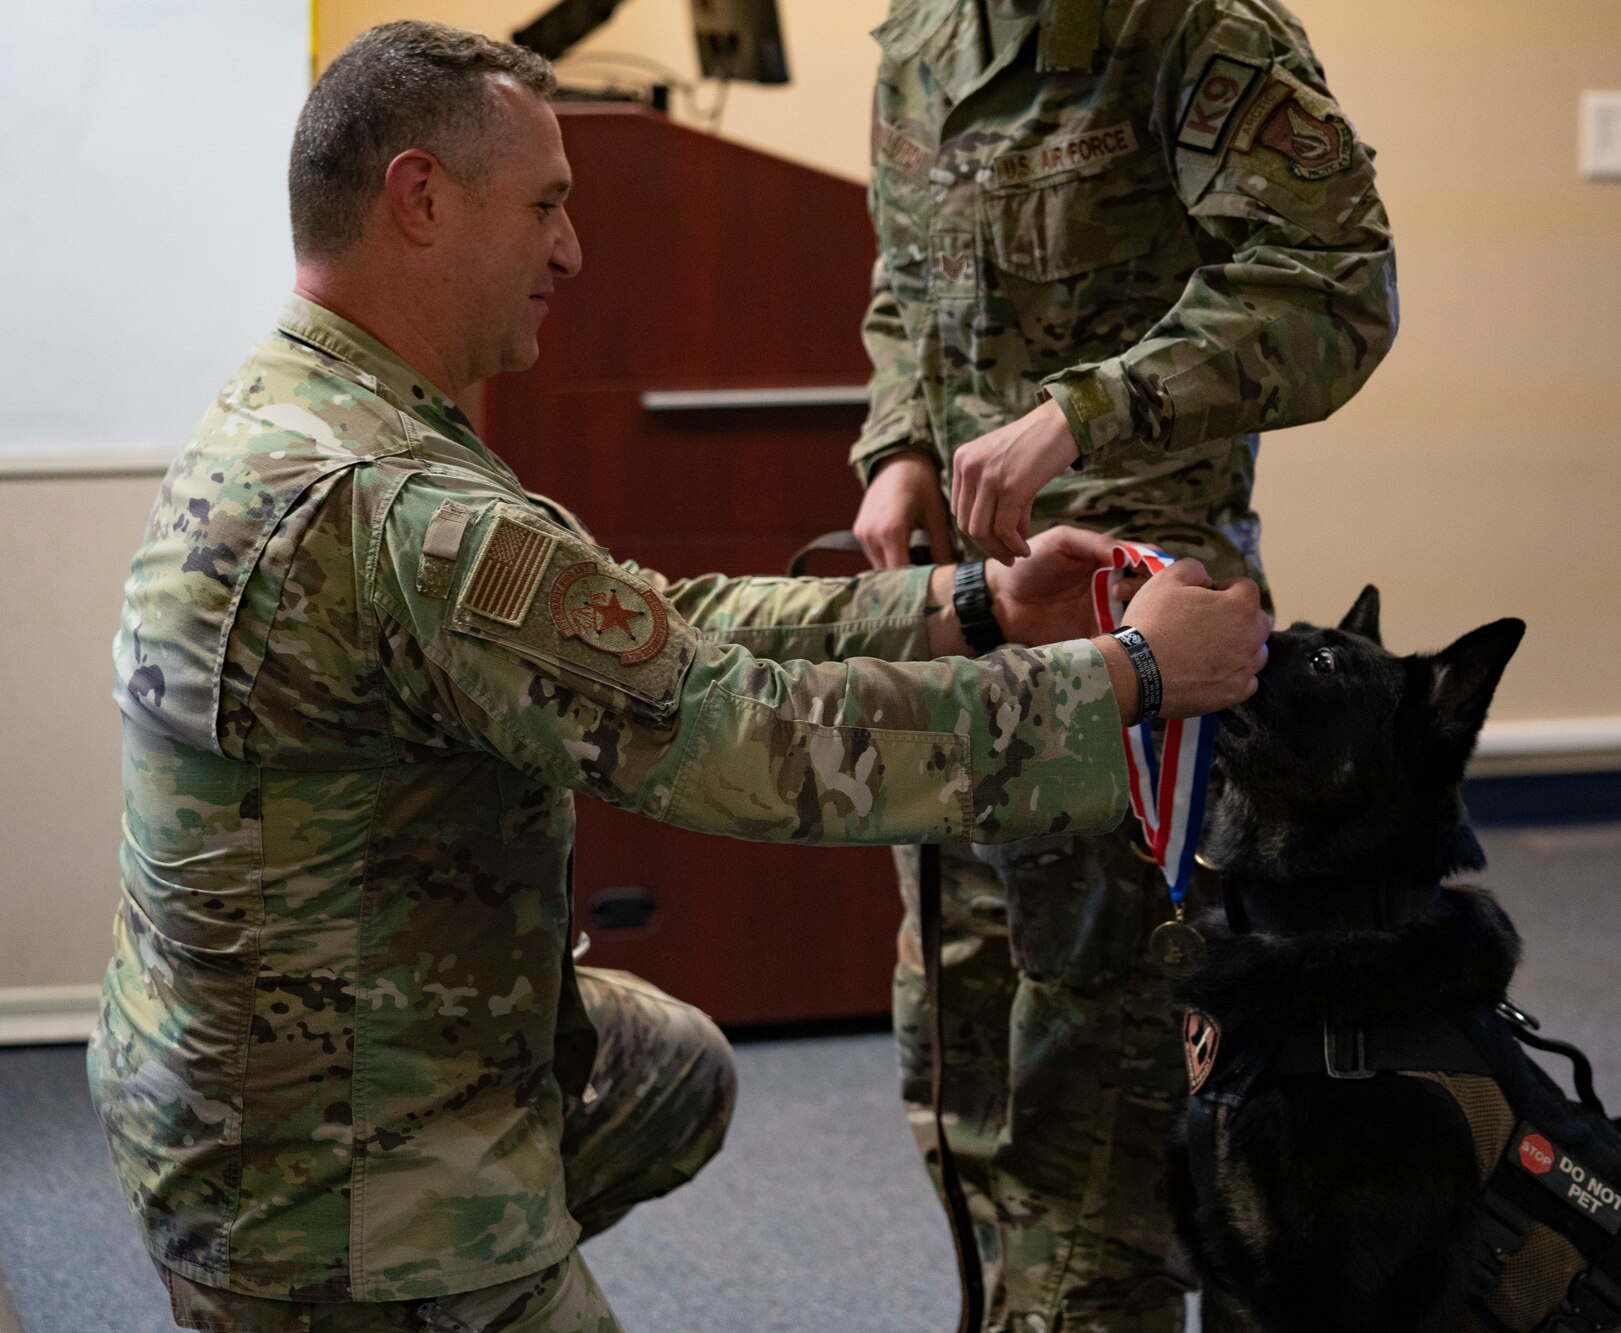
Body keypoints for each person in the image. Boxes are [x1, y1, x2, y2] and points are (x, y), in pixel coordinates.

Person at [90, 22, 1270, 1333]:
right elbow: (739, 735)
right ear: (420, 199)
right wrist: (1129, 677)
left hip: (214, 1090)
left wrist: (972, 604)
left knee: (670, 1067)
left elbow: (658, 624)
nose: (571, 250)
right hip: (332, 1183)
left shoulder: (296, 406)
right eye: (544, 206)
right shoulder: (404, 510)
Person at [848, 1, 1399, 1328]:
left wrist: (1084, 412)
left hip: (1142, 629)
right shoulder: (927, 33)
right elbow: (910, 278)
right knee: (958, 1065)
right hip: (976, 627)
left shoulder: (1192, 27)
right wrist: (902, 443)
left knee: (1102, 1103)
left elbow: (1337, 289)